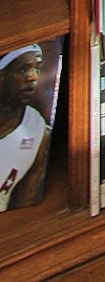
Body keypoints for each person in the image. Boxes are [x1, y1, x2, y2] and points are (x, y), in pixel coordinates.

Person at [0, 47, 51, 210]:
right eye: (22, 70)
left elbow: (26, 204)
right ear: (1, 76)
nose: (32, 77)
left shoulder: (38, 131)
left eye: (37, 68)